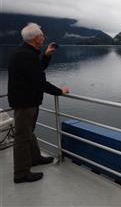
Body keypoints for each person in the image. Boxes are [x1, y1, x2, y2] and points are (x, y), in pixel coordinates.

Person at [8, 23, 70, 184]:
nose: (44, 38)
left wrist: (47, 55)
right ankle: (21, 174)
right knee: (22, 137)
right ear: (36, 39)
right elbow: (40, 81)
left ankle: (34, 158)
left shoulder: (25, 53)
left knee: (29, 131)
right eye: (42, 36)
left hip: (27, 101)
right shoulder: (26, 55)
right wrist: (60, 91)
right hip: (25, 103)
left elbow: (36, 71)